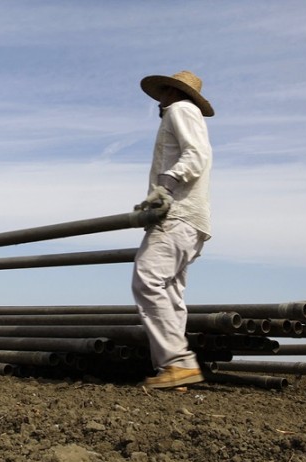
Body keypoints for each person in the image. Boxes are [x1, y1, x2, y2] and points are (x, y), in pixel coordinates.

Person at [131, 70, 214, 389]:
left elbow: (196, 155)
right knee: (170, 291)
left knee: (147, 278)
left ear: (170, 92)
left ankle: (178, 363)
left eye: (163, 93)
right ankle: (174, 371)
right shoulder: (187, 114)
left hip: (177, 214)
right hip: (192, 219)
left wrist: (165, 185)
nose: (159, 100)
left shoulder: (181, 110)